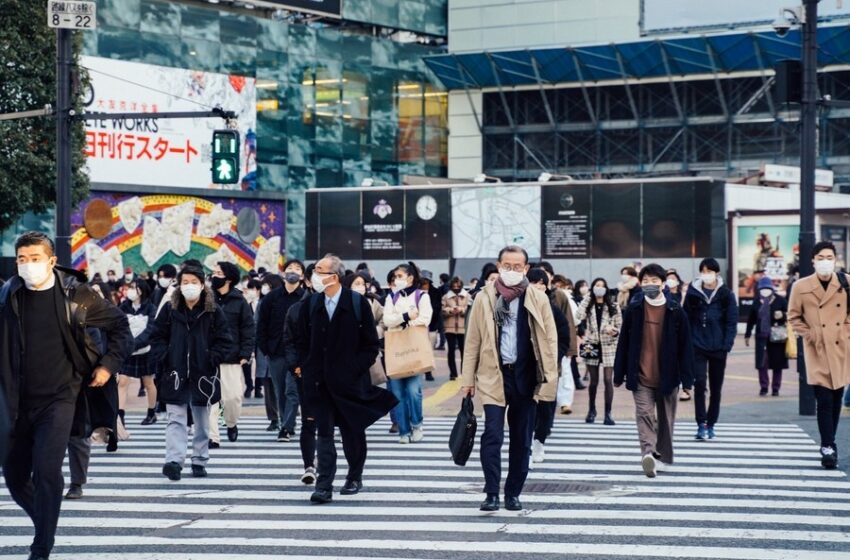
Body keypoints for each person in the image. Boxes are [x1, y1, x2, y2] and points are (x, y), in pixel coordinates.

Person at [0, 232, 132, 560]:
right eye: (21, 259)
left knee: (46, 470)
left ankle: (41, 546)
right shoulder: (8, 295)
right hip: (17, 400)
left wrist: (107, 366)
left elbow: (120, 327)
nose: (28, 266)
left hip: (61, 398)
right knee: (15, 477)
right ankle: (45, 521)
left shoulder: (77, 296)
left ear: (51, 261)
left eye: (34, 259)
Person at [461, 246, 558, 512]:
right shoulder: (485, 297)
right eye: (507, 265)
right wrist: (467, 379)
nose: (512, 270)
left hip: (526, 376)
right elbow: (473, 341)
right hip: (494, 374)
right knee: (492, 434)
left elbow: (550, 341)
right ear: (498, 266)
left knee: (521, 437)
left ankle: (512, 492)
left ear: (526, 268)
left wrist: (550, 380)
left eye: (517, 266)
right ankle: (491, 492)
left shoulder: (537, 298)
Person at [295, 255, 398, 504]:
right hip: (319, 382)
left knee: (353, 431)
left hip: (351, 381)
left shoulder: (356, 303)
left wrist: (353, 369)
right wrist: (305, 369)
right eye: (315, 270)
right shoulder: (310, 305)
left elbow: (370, 345)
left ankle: (354, 475)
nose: (315, 275)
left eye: (320, 270)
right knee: (325, 433)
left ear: (335, 276)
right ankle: (324, 485)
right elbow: (300, 342)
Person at [148, 264, 234, 481]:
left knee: (202, 421)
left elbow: (225, 341)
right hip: (175, 372)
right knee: (175, 418)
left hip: (203, 373)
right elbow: (157, 336)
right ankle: (174, 461)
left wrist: (211, 358)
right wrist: (164, 356)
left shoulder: (213, 311)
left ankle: (199, 459)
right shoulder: (170, 309)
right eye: (185, 282)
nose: (189, 286)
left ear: (203, 284)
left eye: (194, 282)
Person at [614, 263, 694, 479]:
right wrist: (619, 373)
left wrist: (688, 381)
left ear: (663, 282)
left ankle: (659, 451)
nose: (650, 285)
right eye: (646, 281)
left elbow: (686, 347)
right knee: (644, 414)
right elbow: (624, 341)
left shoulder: (676, 310)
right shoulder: (635, 308)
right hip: (640, 375)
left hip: (668, 375)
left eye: (654, 281)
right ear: (640, 283)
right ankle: (647, 453)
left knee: (666, 419)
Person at [788, 241, 850, 469]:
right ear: (813, 260)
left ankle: (829, 442)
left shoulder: (846, 282)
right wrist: (811, 334)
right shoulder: (801, 286)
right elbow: (793, 317)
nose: (825, 261)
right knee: (823, 400)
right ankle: (828, 446)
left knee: (836, 400)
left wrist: (845, 331)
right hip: (817, 350)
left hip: (841, 348)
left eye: (829, 257)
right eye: (821, 257)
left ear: (835, 259)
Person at [683, 258, 738, 440]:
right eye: (703, 271)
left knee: (716, 387)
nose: (706, 274)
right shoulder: (693, 292)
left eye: (710, 271)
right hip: (697, 345)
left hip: (718, 347)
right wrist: (689, 342)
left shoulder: (726, 294)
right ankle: (700, 423)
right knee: (699, 384)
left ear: (717, 273)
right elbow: (686, 319)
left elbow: (731, 322)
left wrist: (726, 345)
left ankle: (711, 424)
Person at [383, 262, 433, 444]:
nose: (397, 280)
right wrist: (405, 317)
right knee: (396, 393)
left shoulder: (422, 296)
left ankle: (417, 424)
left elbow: (425, 319)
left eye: (400, 276)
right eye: (396, 277)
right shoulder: (392, 297)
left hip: (413, 347)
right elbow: (387, 320)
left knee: (413, 391)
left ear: (410, 278)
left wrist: (404, 324)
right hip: (396, 348)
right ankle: (403, 431)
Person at [208, 262, 255, 448]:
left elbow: (248, 328)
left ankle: (231, 423)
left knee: (233, 397)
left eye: (218, 273)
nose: (214, 276)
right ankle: (213, 436)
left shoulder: (239, 301)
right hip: (209, 356)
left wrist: (245, 353)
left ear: (228, 278)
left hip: (232, 356)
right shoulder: (207, 298)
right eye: (214, 272)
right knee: (211, 399)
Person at [257, 261, 305, 442]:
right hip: (276, 351)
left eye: (297, 269)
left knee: (292, 390)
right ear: (283, 273)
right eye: (290, 269)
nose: (293, 272)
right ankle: (288, 423)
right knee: (281, 389)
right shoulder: (271, 298)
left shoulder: (305, 298)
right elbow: (261, 325)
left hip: (298, 353)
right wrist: (266, 349)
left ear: (302, 275)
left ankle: (286, 427)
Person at [527, 268, 570, 465]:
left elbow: (564, 337)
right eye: (533, 283)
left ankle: (539, 442)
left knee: (545, 407)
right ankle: (525, 443)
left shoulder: (554, 311)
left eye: (541, 283)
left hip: (548, 368)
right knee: (527, 408)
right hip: (525, 367)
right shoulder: (520, 308)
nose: (537, 287)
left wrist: (555, 357)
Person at [577, 277, 622, 426]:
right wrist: (588, 297)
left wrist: (613, 331)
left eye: (602, 286)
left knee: (608, 380)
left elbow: (619, 326)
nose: (600, 288)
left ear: (607, 289)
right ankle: (591, 410)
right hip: (592, 344)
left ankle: (608, 413)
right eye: (597, 285)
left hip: (609, 345)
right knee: (593, 382)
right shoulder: (588, 304)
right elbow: (578, 316)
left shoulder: (613, 305)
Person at [117, 279, 158, 428]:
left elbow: (151, 330)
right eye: (130, 288)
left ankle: (151, 412)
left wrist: (136, 344)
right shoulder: (123, 307)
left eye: (134, 288)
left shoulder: (151, 308)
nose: (131, 291)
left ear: (142, 290)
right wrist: (127, 344)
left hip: (145, 351)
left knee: (148, 382)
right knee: (122, 381)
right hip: (127, 351)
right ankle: (120, 416)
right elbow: (119, 326)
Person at [745, 277, 788, 398]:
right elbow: (751, 319)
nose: (765, 291)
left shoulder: (780, 300)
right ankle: (763, 387)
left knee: (777, 363)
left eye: (767, 288)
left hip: (777, 336)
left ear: (772, 288)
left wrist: (783, 315)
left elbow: (791, 314)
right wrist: (747, 334)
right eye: (762, 289)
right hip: (761, 336)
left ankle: (776, 388)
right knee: (761, 363)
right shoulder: (757, 301)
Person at [442, 277, 470, 381]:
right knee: (451, 351)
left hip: (463, 327)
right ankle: (453, 374)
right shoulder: (446, 297)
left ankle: (465, 373)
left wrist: (461, 310)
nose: (456, 288)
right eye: (454, 286)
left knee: (464, 351)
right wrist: (450, 310)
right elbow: (442, 309)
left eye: (458, 286)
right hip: (450, 327)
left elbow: (470, 308)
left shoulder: (467, 296)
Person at [420, 270, 442, 381]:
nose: (424, 282)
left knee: (429, 350)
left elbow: (438, 307)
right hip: (419, 326)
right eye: (422, 280)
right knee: (419, 349)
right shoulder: (416, 291)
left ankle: (428, 372)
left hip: (432, 325)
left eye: (426, 280)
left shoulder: (436, 292)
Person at [241, 279, 262, 398]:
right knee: (246, 363)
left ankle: (258, 387)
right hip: (248, 338)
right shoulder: (245, 304)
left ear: (258, 290)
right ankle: (249, 385)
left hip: (259, 338)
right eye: (249, 289)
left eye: (253, 289)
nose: (251, 291)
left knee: (260, 363)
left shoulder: (263, 303)